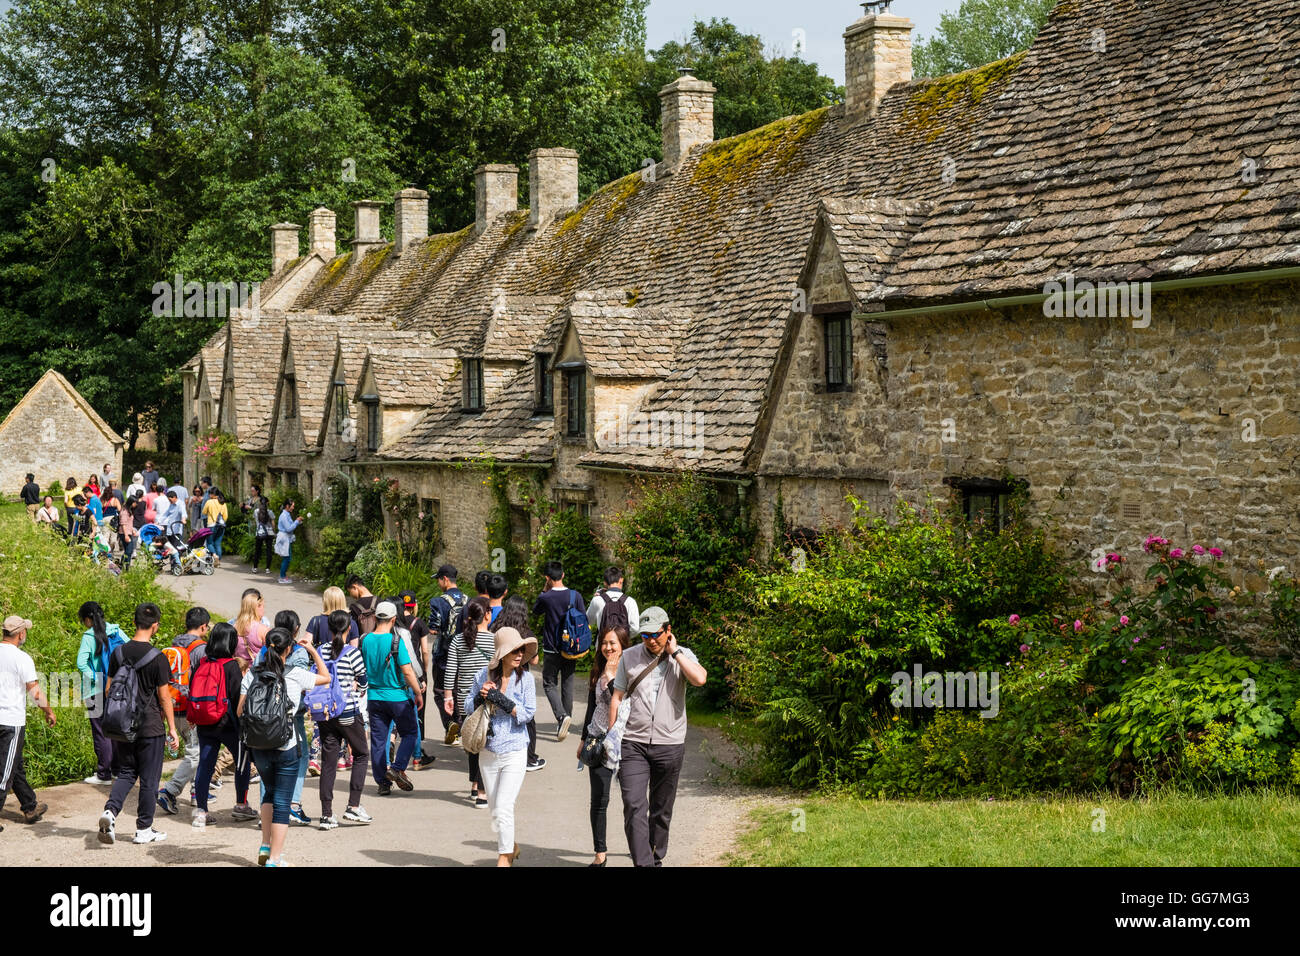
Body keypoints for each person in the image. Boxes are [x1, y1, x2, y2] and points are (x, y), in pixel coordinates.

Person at [608, 606, 707, 867]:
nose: (651, 640)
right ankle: (644, 864)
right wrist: (612, 739)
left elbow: (699, 679)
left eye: (656, 634)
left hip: (670, 743)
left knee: (661, 811)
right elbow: (617, 697)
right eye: (645, 636)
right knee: (633, 805)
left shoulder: (682, 655)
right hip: (633, 743)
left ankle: (655, 856)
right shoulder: (629, 657)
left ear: (668, 630)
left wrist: (675, 653)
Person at [237, 628, 331, 867]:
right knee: (282, 802)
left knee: (269, 793)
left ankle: (265, 845)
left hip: (258, 745)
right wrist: (311, 650)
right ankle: (275, 859)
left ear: (267, 647)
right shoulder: (296, 674)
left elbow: (240, 711)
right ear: (289, 649)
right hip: (286, 744)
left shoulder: (252, 674)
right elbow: (325, 677)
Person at [98, 603, 179, 845]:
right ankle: (144, 828)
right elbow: (165, 697)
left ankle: (110, 812)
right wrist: (172, 728)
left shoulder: (118, 653)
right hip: (150, 726)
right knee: (150, 779)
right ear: (155, 626)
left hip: (123, 725)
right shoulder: (158, 658)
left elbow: (109, 689)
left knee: (126, 772)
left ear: (134, 623)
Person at [466, 626, 536, 866]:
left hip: (515, 750)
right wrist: (480, 698)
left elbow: (528, 714)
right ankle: (511, 846)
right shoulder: (482, 675)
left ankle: (504, 859)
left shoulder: (526, 679)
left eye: (521, 650)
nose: (519, 654)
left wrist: (505, 702)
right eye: (514, 650)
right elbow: (466, 708)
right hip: (488, 751)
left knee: (504, 807)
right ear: (502, 654)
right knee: (496, 810)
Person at [189, 622, 255, 827]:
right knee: (242, 762)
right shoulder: (231, 666)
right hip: (229, 725)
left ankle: (201, 811)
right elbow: (237, 698)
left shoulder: (202, 663)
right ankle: (241, 805)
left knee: (205, 764)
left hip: (205, 722)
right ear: (231, 641)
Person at [578, 625, 632, 865]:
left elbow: (622, 703)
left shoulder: (631, 669)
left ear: (623, 645)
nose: (608, 647)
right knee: (599, 801)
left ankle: (640, 845)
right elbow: (592, 707)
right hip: (598, 741)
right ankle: (600, 854)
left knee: (633, 800)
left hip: (627, 742)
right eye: (604, 643)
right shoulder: (597, 670)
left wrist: (611, 679)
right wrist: (582, 740)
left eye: (613, 643)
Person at [316, 610, 372, 829]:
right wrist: (359, 688)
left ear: (329, 629)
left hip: (326, 714)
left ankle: (326, 814)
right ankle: (353, 806)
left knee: (328, 762)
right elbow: (363, 680)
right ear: (349, 629)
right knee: (361, 754)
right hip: (348, 713)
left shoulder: (321, 650)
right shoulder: (352, 652)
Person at [360, 602, 422, 795]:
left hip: (374, 697)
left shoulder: (365, 640)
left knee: (379, 741)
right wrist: (418, 692)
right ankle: (397, 768)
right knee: (410, 732)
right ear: (393, 619)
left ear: (377, 617)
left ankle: (382, 784)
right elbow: (407, 671)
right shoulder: (396, 641)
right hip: (397, 697)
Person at [0, 615, 54, 830]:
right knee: (4, 773)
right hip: (10, 722)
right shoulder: (21, 658)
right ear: (20, 634)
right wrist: (49, 712)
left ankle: (30, 807)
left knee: (15, 765)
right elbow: (35, 692)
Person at [156, 608, 211, 816]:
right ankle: (170, 791)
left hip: (172, 706)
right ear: (204, 626)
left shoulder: (174, 645)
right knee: (195, 753)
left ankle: (197, 792)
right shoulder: (202, 650)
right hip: (190, 709)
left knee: (193, 750)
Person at [443, 598, 493, 807]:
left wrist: (448, 696)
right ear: (488, 615)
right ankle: (482, 792)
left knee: (473, 740)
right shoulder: (494, 640)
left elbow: (450, 670)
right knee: (485, 743)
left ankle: (474, 784)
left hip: (466, 699)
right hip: (488, 699)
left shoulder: (458, 640)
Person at [490, 596, 545, 771]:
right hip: (519, 677)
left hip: (497, 673)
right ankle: (529, 758)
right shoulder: (525, 631)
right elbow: (535, 661)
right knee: (526, 717)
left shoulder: (497, 627)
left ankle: (494, 748)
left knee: (495, 715)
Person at [532, 560, 585, 740]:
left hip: (552, 648)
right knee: (568, 684)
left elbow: (536, 611)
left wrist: (544, 590)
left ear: (547, 578)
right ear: (563, 575)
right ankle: (565, 721)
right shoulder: (575, 595)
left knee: (549, 683)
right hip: (571, 647)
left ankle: (562, 717)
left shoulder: (546, 597)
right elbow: (583, 617)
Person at [75, 601, 127, 784]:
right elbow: (129, 652)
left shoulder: (89, 636)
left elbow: (81, 663)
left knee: (100, 731)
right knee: (114, 729)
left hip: (96, 691)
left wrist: (98, 680)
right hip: (115, 689)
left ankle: (103, 774)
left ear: (88, 619)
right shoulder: (116, 631)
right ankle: (117, 770)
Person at [426, 564, 467, 742]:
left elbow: (433, 629)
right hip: (465, 653)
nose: (438, 583)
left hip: (444, 654)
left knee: (440, 691)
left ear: (445, 579)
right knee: (460, 690)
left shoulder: (438, 602)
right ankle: (461, 723)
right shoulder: (469, 600)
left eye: (438, 580)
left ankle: (450, 723)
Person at [397, 590, 436, 770]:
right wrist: (424, 670)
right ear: (414, 605)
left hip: (398, 670)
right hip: (416, 670)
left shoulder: (393, 622)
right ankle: (417, 755)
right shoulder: (418, 623)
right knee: (417, 713)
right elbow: (425, 650)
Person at [234, 590, 271, 670]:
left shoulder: (235, 627)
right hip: (256, 673)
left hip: (239, 670)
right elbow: (271, 655)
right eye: (263, 607)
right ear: (256, 607)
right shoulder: (263, 630)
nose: (264, 610)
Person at [274, 499, 302, 584]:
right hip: (284, 538)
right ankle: (282, 577)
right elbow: (289, 528)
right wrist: (297, 521)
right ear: (287, 506)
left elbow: (290, 526)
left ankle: (283, 575)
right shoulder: (284, 516)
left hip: (286, 538)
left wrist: (298, 522)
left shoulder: (287, 514)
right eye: (292, 506)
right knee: (286, 558)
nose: (293, 508)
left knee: (288, 558)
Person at [203, 490, 228, 567]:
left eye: (210, 493)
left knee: (209, 543)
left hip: (211, 525)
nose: (209, 495)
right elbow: (226, 516)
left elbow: (204, 512)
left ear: (213, 494)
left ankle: (214, 555)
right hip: (221, 526)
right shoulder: (223, 503)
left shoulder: (209, 502)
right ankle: (218, 561)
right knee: (218, 544)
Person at [251, 496, 275, 573]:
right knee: (269, 551)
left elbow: (256, 522)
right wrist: (274, 531)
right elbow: (273, 523)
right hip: (269, 533)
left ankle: (255, 568)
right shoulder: (270, 512)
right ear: (267, 503)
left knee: (257, 550)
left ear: (260, 503)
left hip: (260, 532)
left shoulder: (256, 511)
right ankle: (267, 569)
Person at [118, 493, 138, 571]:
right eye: (135, 503)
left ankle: (122, 564)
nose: (136, 505)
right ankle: (126, 567)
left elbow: (129, 523)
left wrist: (132, 530)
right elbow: (123, 524)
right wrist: (126, 535)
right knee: (129, 551)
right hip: (124, 533)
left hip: (128, 532)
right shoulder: (124, 512)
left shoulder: (129, 511)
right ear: (131, 502)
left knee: (127, 550)